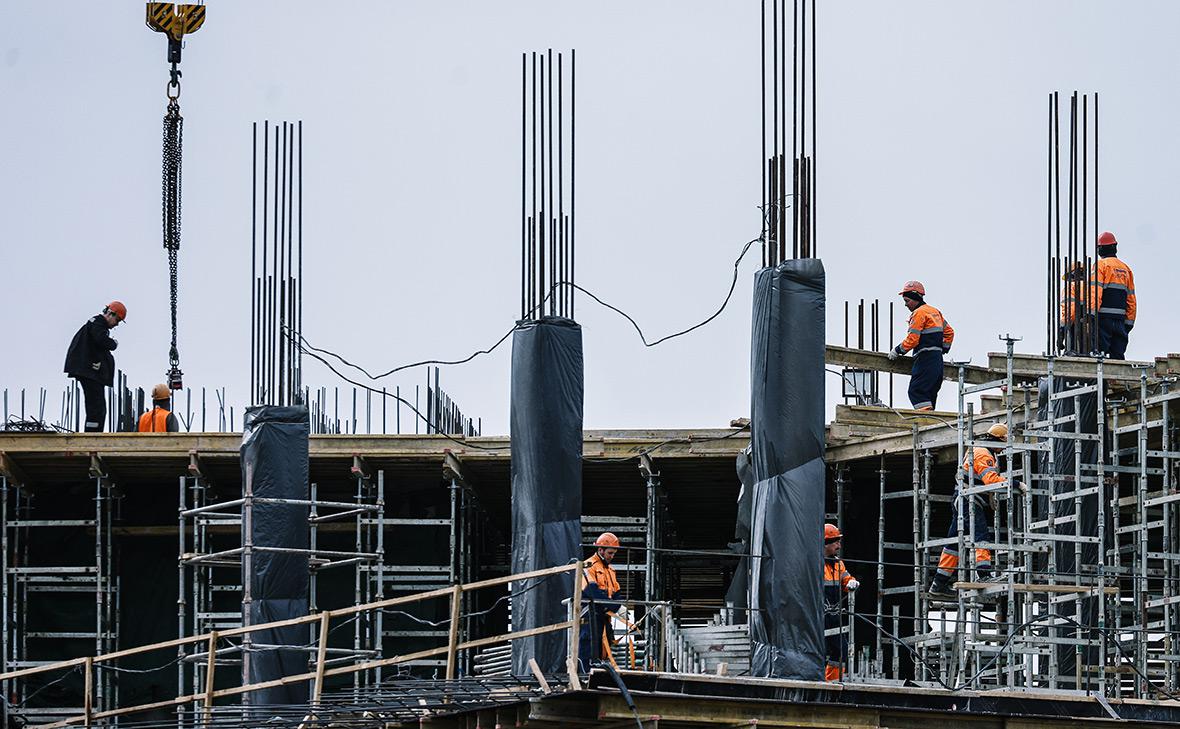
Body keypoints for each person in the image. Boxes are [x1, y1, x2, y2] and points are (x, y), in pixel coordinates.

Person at [927, 423, 1025, 600]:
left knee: (954, 545)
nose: (1003, 448)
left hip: (965, 499)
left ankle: (939, 584)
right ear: (998, 440)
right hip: (967, 500)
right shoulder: (983, 453)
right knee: (980, 535)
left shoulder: (983, 451)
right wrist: (1017, 484)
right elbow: (991, 480)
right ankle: (984, 574)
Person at [887, 281, 954, 411]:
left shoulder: (919, 313)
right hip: (937, 360)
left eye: (907, 300)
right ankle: (931, 421)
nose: (906, 304)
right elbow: (949, 332)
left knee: (917, 391)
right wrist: (944, 348)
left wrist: (897, 350)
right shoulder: (934, 312)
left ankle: (925, 421)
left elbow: (913, 339)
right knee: (929, 394)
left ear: (914, 297)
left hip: (925, 359)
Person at [63, 301, 125, 432]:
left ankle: (94, 433)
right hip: (89, 372)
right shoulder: (97, 323)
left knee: (98, 407)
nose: (116, 324)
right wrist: (113, 343)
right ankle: (92, 435)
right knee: (96, 406)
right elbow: (100, 340)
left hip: (90, 372)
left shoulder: (96, 324)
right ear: (110, 313)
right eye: (117, 320)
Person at [578, 532, 621, 672]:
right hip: (589, 616)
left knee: (604, 647)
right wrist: (613, 606)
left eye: (614, 553)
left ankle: (598, 675)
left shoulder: (611, 571)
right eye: (610, 553)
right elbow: (592, 592)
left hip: (603, 616)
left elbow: (617, 594)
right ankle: (585, 676)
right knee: (589, 646)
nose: (612, 556)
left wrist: (616, 607)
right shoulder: (588, 566)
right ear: (600, 550)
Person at [822, 524, 858, 682]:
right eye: (835, 541)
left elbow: (846, 579)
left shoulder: (838, 564)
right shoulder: (813, 563)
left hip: (834, 616)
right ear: (825, 543)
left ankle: (831, 683)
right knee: (816, 650)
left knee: (841, 650)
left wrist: (852, 582)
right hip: (818, 617)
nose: (839, 545)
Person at [1092, 231, 1136, 360]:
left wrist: (1090, 315)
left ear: (1100, 248)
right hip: (1120, 321)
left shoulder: (1101, 265)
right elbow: (1131, 300)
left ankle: (1102, 381)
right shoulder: (1126, 269)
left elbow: (1095, 292)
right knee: (1118, 359)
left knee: (1100, 357)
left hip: (1103, 320)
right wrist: (1128, 323)